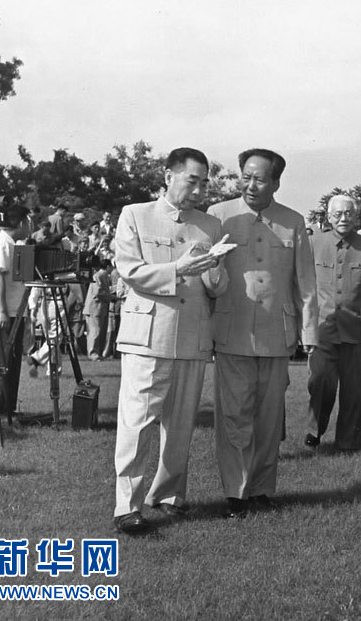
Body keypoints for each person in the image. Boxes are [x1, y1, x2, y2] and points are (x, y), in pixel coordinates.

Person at [111, 147, 232, 535]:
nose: (197, 189)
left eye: (203, 183)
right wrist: (179, 268)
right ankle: (126, 507)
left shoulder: (210, 225)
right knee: (137, 423)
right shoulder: (135, 214)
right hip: (148, 336)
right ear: (168, 176)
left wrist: (214, 269)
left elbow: (219, 286)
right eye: (190, 180)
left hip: (193, 337)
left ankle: (167, 496)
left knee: (180, 425)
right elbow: (130, 270)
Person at [208, 148, 319, 518]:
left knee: (269, 417)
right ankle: (235, 492)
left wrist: (309, 332)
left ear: (276, 183)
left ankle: (261, 489)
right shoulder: (219, 216)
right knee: (234, 414)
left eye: (260, 179)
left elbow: (305, 282)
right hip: (231, 327)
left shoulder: (293, 221)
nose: (251, 185)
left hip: (276, 331)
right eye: (246, 177)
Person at [305, 195, 361, 450]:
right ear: (328, 217)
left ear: (356, 216)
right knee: (320, 381)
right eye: (338, 214)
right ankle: (313, 429)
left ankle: (348, 441)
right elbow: (304, 286)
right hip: (322, 327)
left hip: (355, 327)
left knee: (353, 390)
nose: (343, 218)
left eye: (348, 213)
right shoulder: (313, 243)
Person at [0, 205, 30, 415]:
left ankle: (4, 406)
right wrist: (1, 310)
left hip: (12, 312)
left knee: (10, 359)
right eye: (27, 221)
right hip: (3, 312)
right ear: (19, 222)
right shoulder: (3, 243)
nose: (29, 226)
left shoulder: (11, 243)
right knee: (0, 359)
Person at [83, 259, 111, 360]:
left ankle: (97, 353)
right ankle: (93, 354)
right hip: (94, 308)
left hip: (100, 309)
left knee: (99, 332)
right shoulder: (98, 276)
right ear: (108, 267)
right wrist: (110, 298)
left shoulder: (103, 276)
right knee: (94, 332)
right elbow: (97, 293)